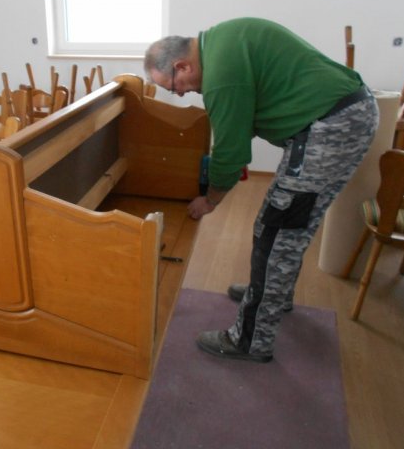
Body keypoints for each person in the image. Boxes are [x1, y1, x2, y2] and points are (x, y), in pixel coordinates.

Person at [144, 18, 379, 363]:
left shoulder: (220, 76)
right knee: (289, 228)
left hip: (330, 128)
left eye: (173, 86)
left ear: (182, 65)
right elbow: (244, 118)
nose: (179, 93)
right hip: (344, 118)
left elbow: (230, 150)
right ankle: (273, 295)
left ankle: (250, 340)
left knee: (275, 231)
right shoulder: (221, 42)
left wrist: (210, 200)